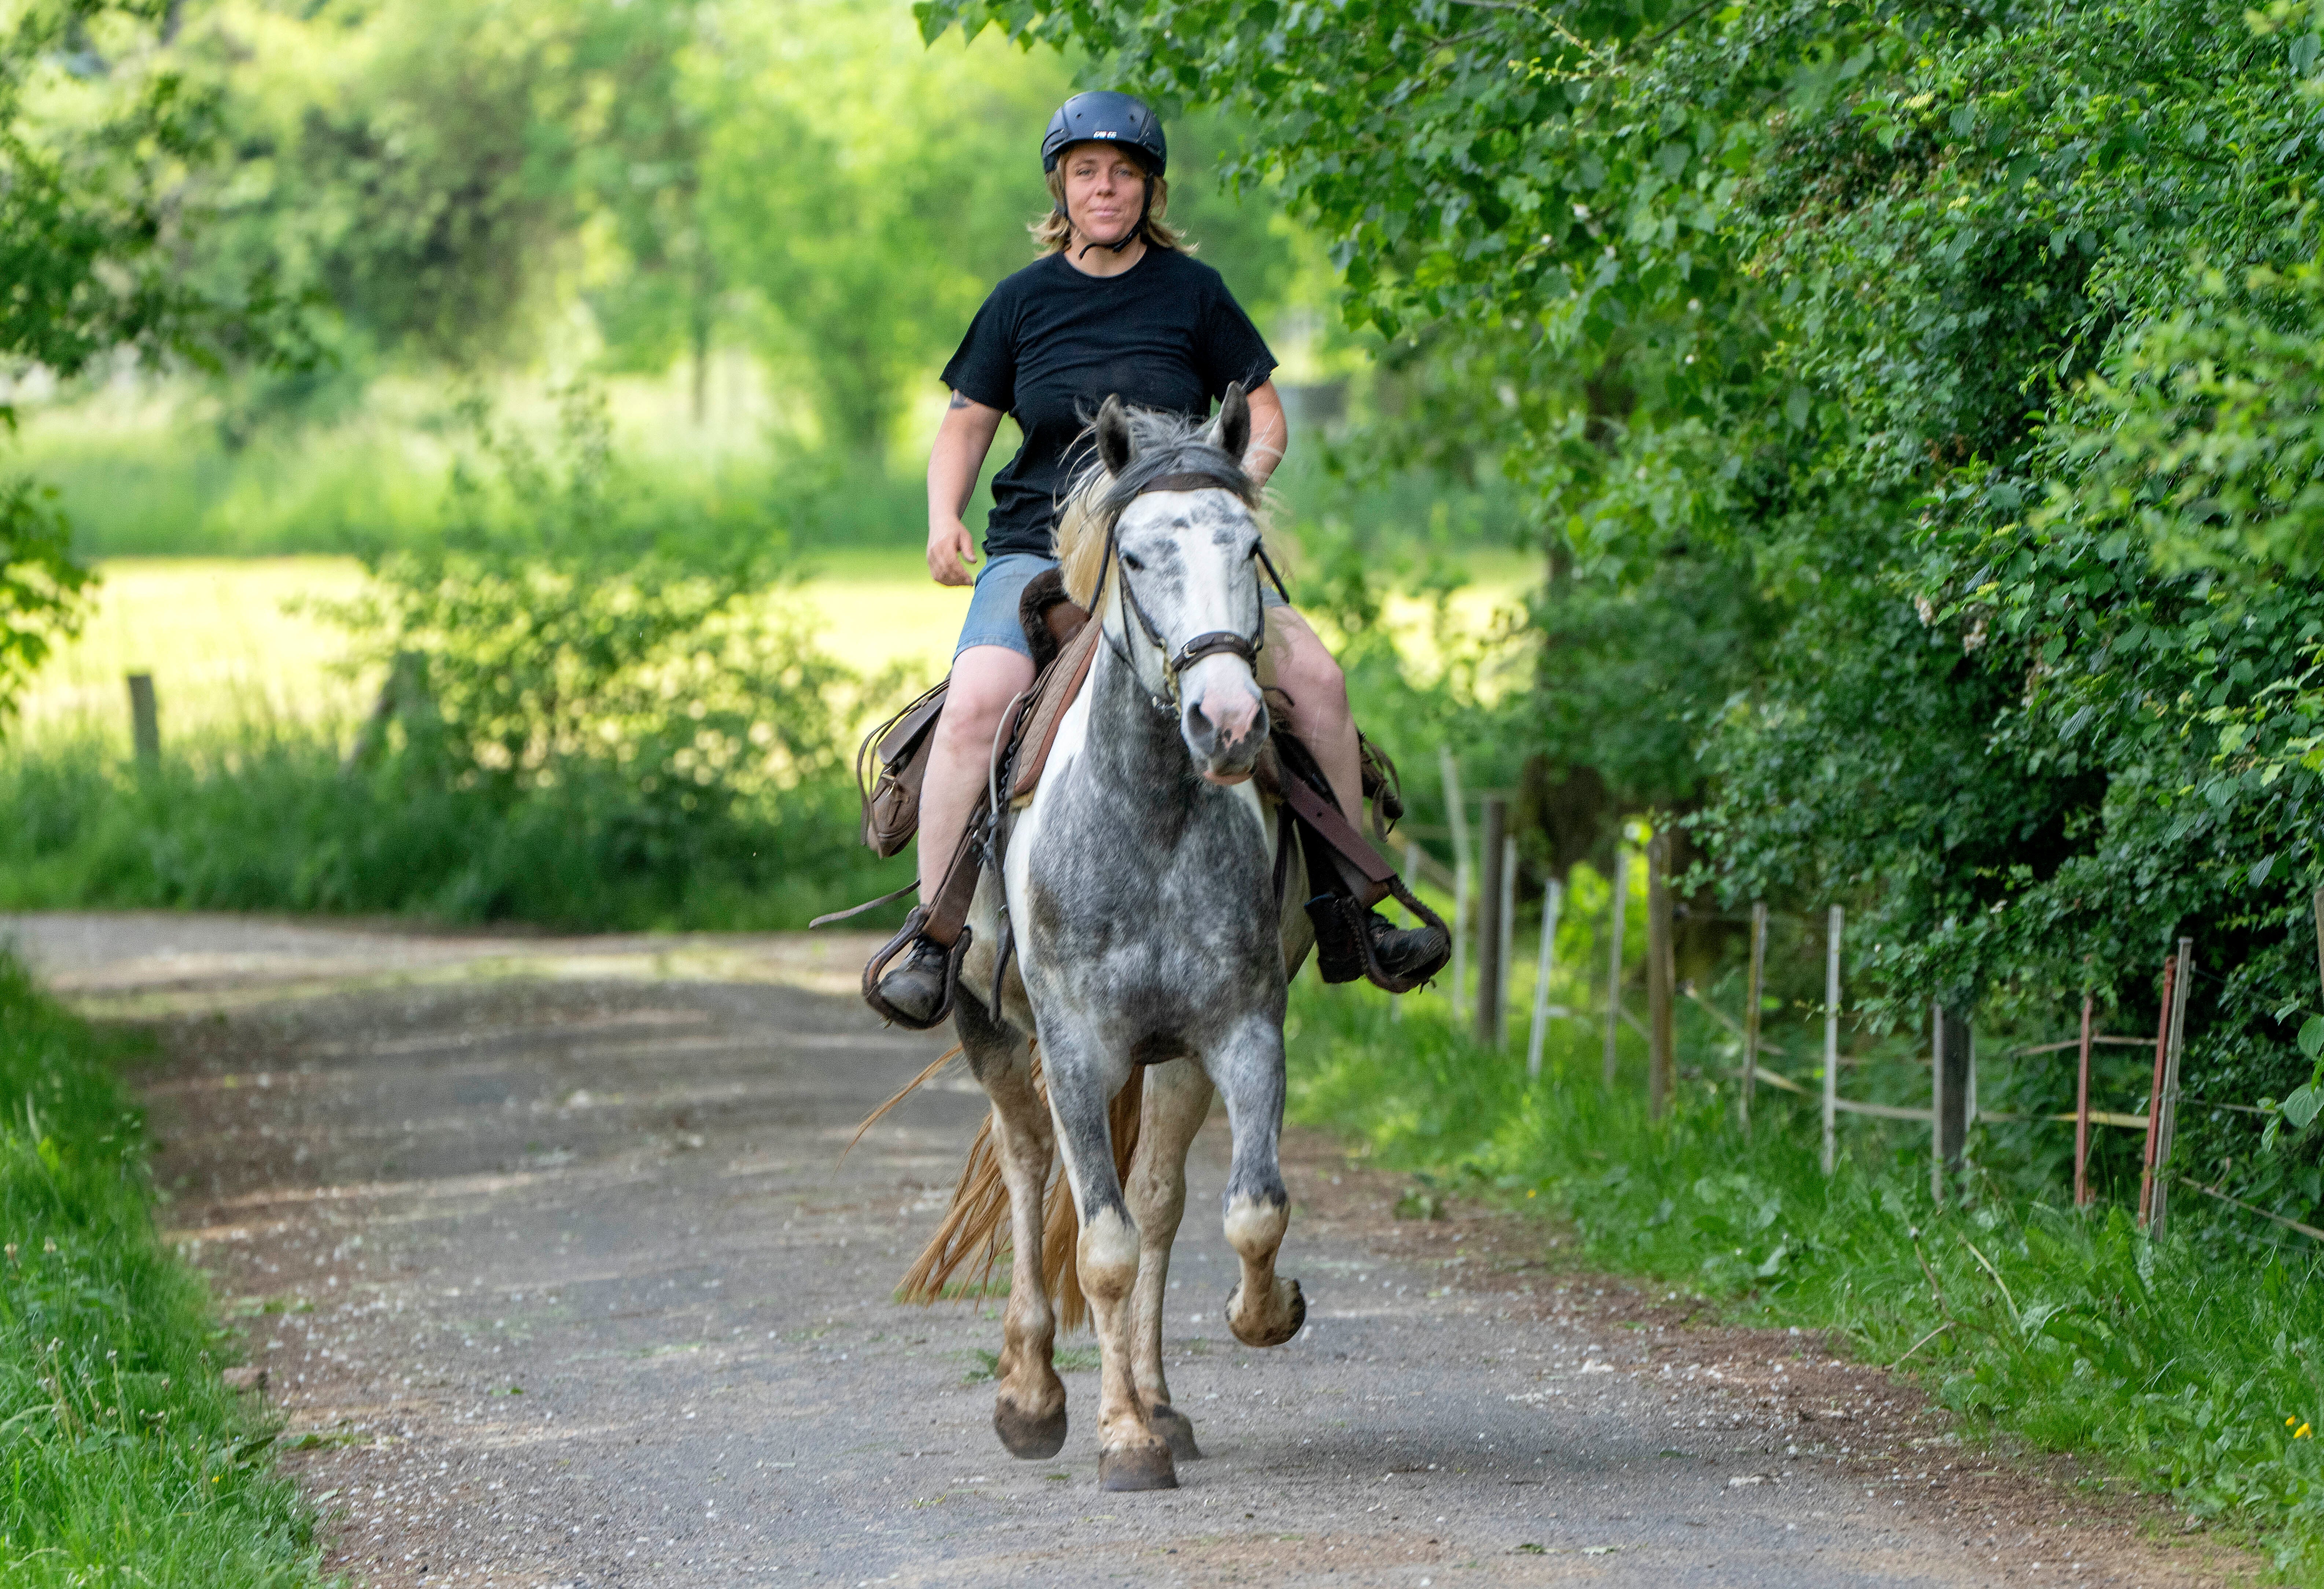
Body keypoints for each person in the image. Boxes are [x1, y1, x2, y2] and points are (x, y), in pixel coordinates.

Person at [872, 90, 1447, 1026]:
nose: (1107, 188)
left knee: (1319, 682)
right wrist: (943, 516)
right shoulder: (1018, 303)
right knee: (977, 701)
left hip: (1185, 553)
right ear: (1061, 185)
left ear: (1150, 189)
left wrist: (1225, 490)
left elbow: (1264, 417)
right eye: (1088, 172)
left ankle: (1351, 908)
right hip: (1038, 551)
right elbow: (966, 421)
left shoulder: (1195, 294)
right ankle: (935, 939)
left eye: (1125, 173)